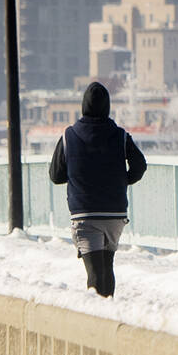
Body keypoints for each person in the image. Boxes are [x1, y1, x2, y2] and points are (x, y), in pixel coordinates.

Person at [47, 81, 147, 298]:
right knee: (107, 267)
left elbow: (55, 175)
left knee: (94, 271)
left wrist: (78, 177)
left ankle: (97, 315)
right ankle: (108, 311)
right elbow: (140, 165)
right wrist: (123, 181)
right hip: (114, 213)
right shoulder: (120, 136)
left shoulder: (69, 136)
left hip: (85, 213)